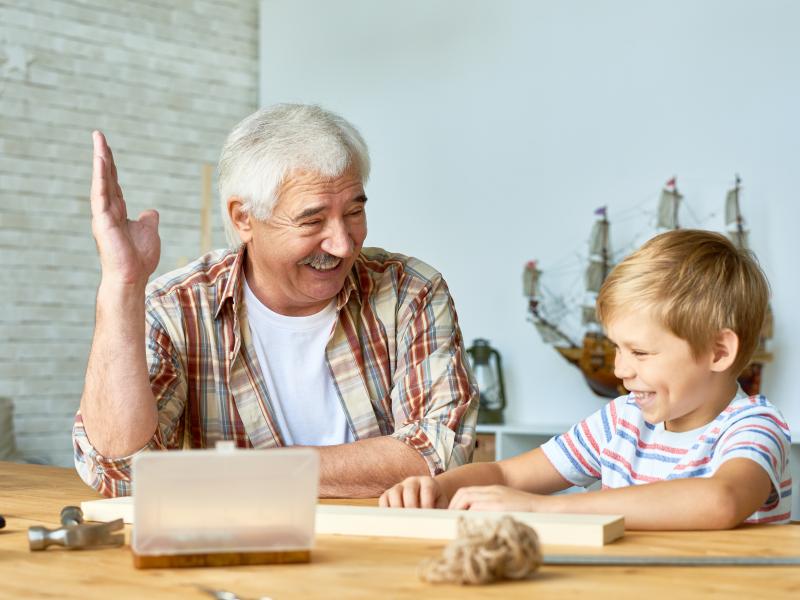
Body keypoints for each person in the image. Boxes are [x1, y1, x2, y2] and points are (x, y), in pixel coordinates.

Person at [73, 104, 478, 498]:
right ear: (243, 219)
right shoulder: (176, 309)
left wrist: (237, 472)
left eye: (354, 212)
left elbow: (441, 453)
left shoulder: (409, 291)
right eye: (312, 221)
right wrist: (122, 286)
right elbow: (121, 471)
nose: (342, 243)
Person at [381, 229, 792, 529]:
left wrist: (545, 509)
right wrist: (438, 488)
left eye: (641, 352)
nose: (620, 369)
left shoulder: (754, 426)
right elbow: (507, 476)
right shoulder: (621, 420)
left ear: (719, 351)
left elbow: (720, 501)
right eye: (618, 347)